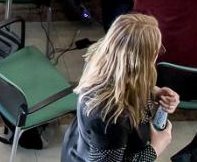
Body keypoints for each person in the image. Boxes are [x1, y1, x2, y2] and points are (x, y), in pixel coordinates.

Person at [62, 13, 178, 161]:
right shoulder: (111, 116)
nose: (159, 53)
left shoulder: (102, 55)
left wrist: (153, 91)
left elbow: (124, 78)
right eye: (156, 51)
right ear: (139, 62)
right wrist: (156, 148)